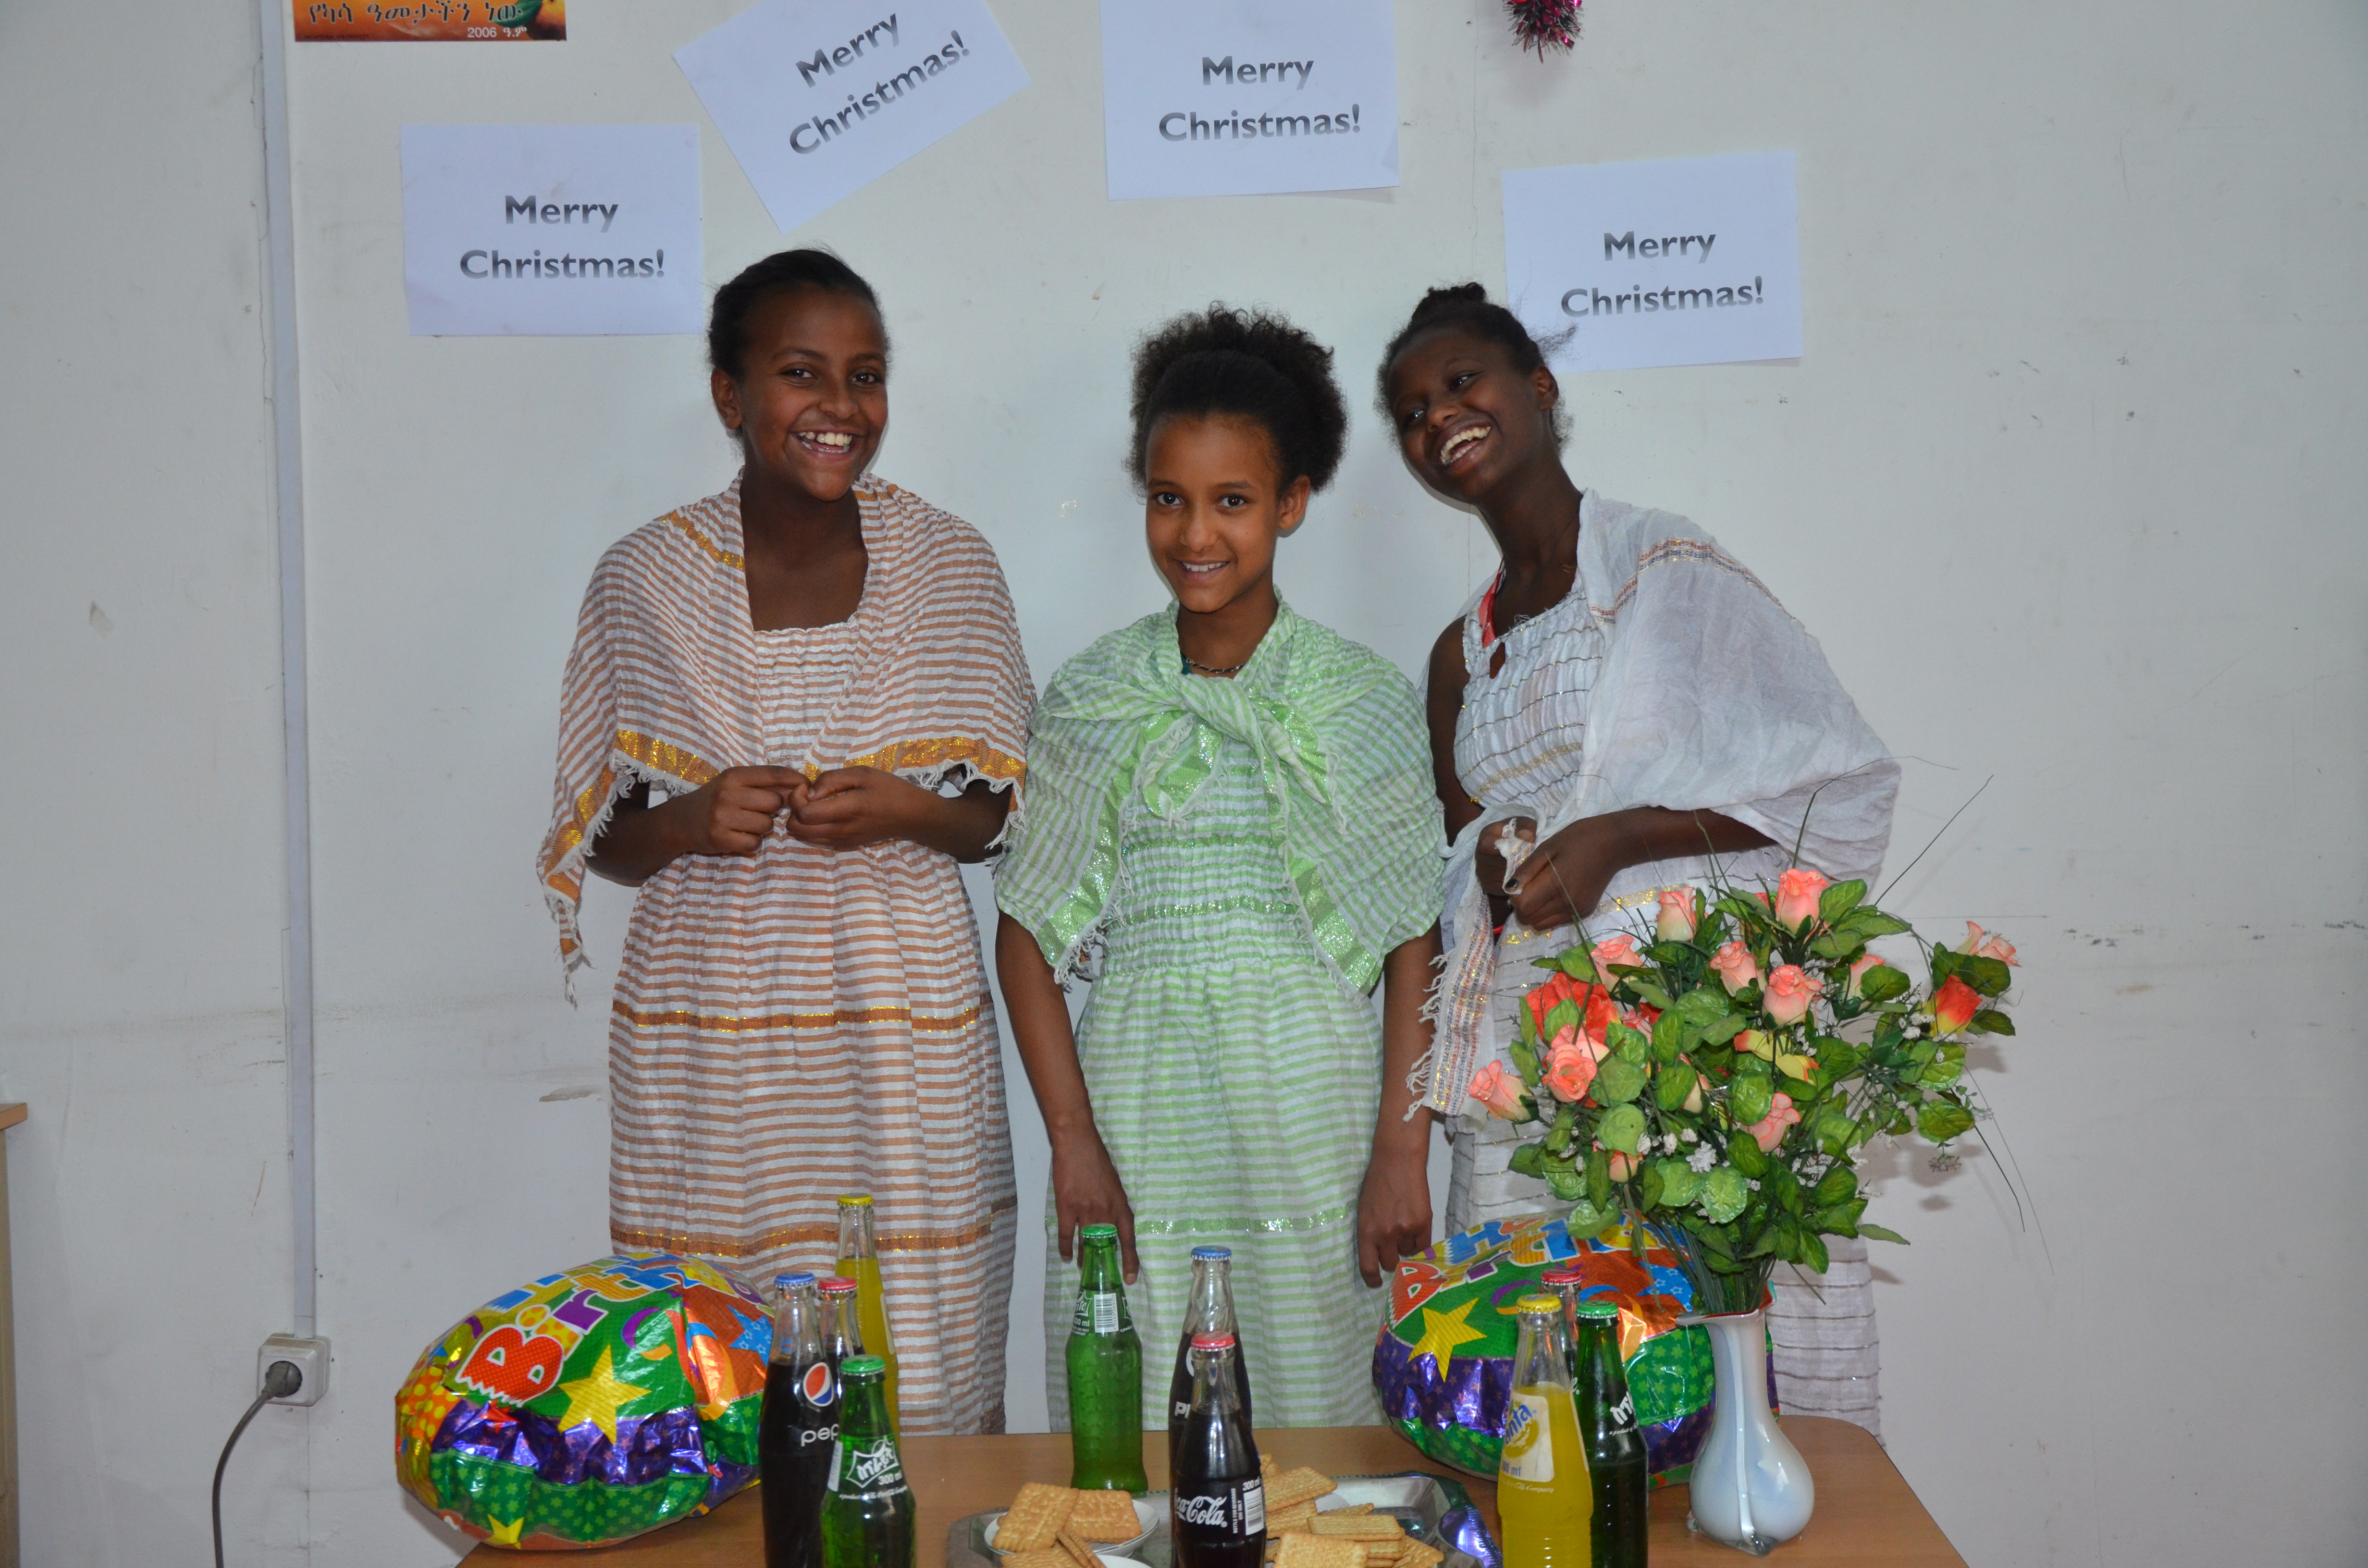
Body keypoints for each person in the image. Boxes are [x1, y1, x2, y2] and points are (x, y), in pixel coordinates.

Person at [1378, 284, 1897, 1433]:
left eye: (1462, 382)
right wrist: (1500, 845)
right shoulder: (1457, 653)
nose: (1440, 417)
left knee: (1707, 1329)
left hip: (1684, 1027)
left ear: (1539, 387)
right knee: (1543, 1347)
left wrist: (1621, 835)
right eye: (1414, 409)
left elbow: (1814, 790)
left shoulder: (1660, 571)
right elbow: (1465, 836)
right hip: (1530, 1049)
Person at [533, 249, 1033, 1435]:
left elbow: (1001, 815)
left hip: (902, 1013)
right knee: (715, 1340)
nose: (841, 408)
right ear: (728, 395)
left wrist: (904, 806)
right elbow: (603, 839)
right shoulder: (644, 576)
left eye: (866, 375)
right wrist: (696, 822)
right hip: (713, 1030)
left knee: (917, 1330)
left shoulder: (949, 562)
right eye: (801, 372)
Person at [994, 306, 1445, 1428]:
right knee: (1144, 1417)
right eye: (1169, 498)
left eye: (1232, 501)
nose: (1196, 533)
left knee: (1319, 1419)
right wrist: (1073, 1142)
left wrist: (1402, 1148)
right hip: (1139, 1110)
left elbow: (1410, 937)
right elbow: (1025, 935)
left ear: (1291, 504)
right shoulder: (1095, 695)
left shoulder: (1359, 695)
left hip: (1317, 1107)